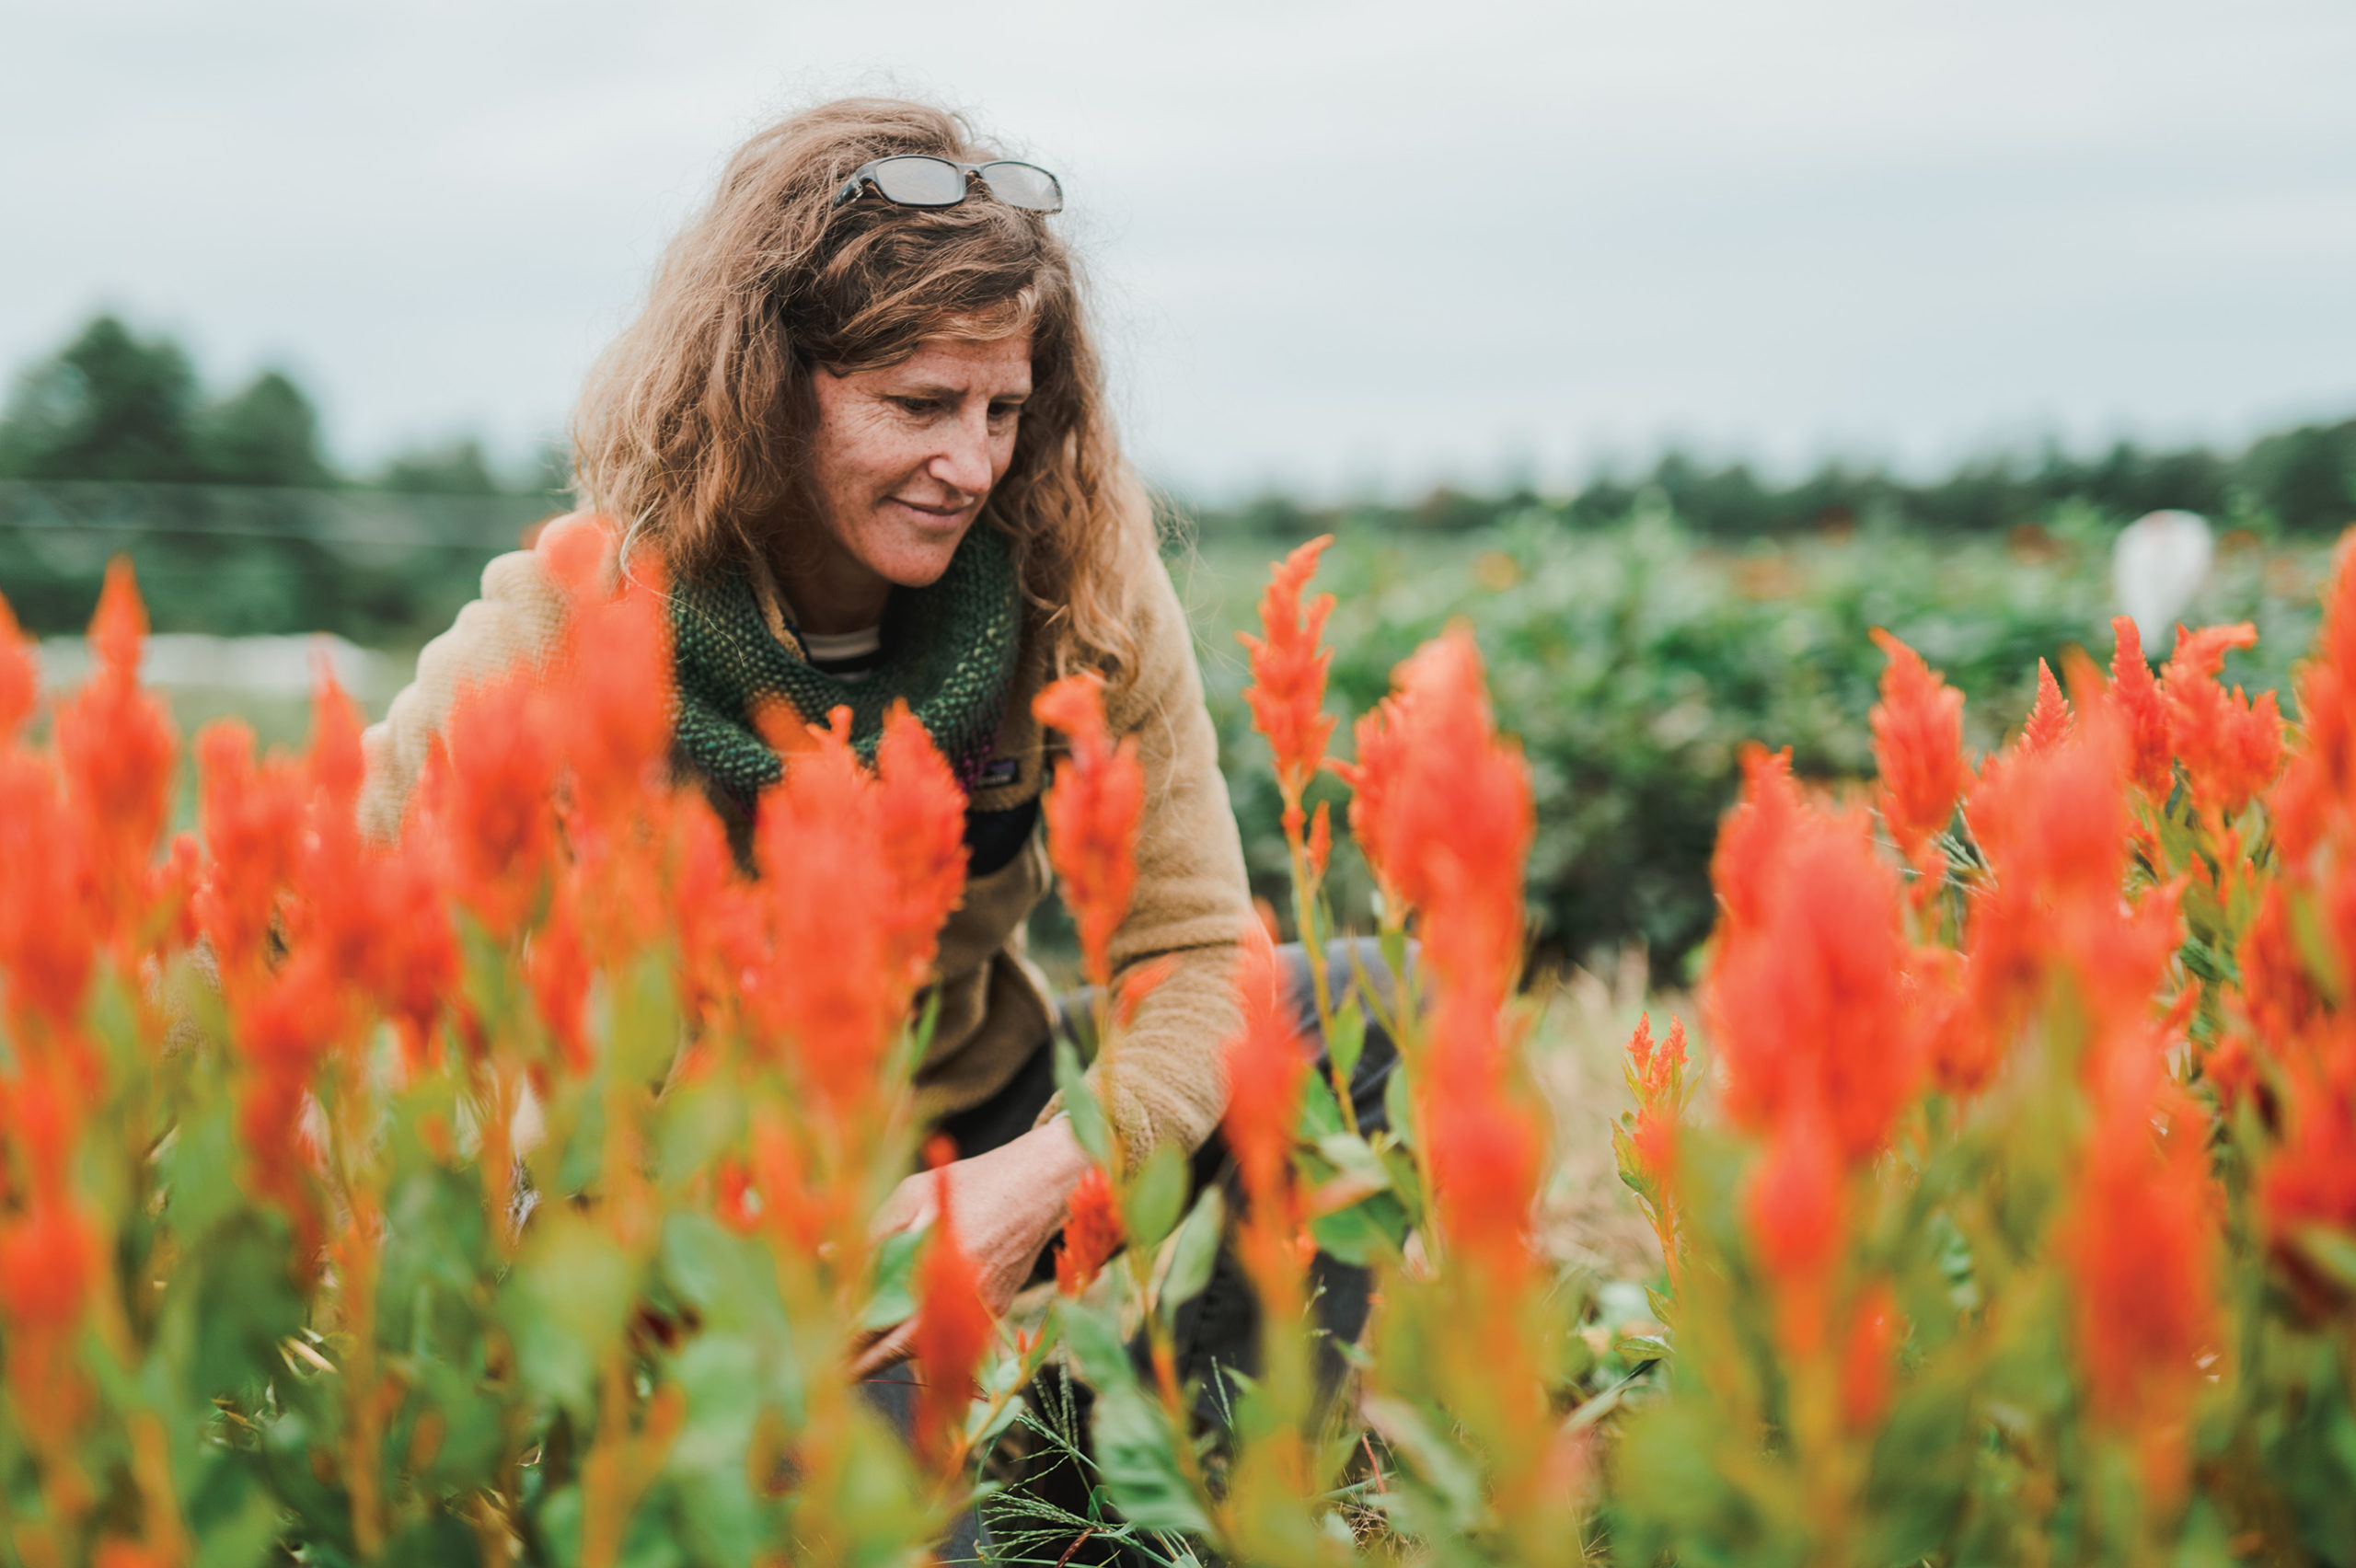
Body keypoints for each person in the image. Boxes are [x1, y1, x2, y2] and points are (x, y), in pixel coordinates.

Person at [356, 96, 1394, 1554]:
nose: (972, 465)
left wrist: (1036, 1181)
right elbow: (337, 944)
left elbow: (1195, 951)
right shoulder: (561, 628)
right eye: (917, 405)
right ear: (766, 391)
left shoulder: (1075, 592)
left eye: (1005, 410)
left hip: (980, 1122)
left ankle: (1131, 1498)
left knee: (1339, 1004)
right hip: (728, 1204)